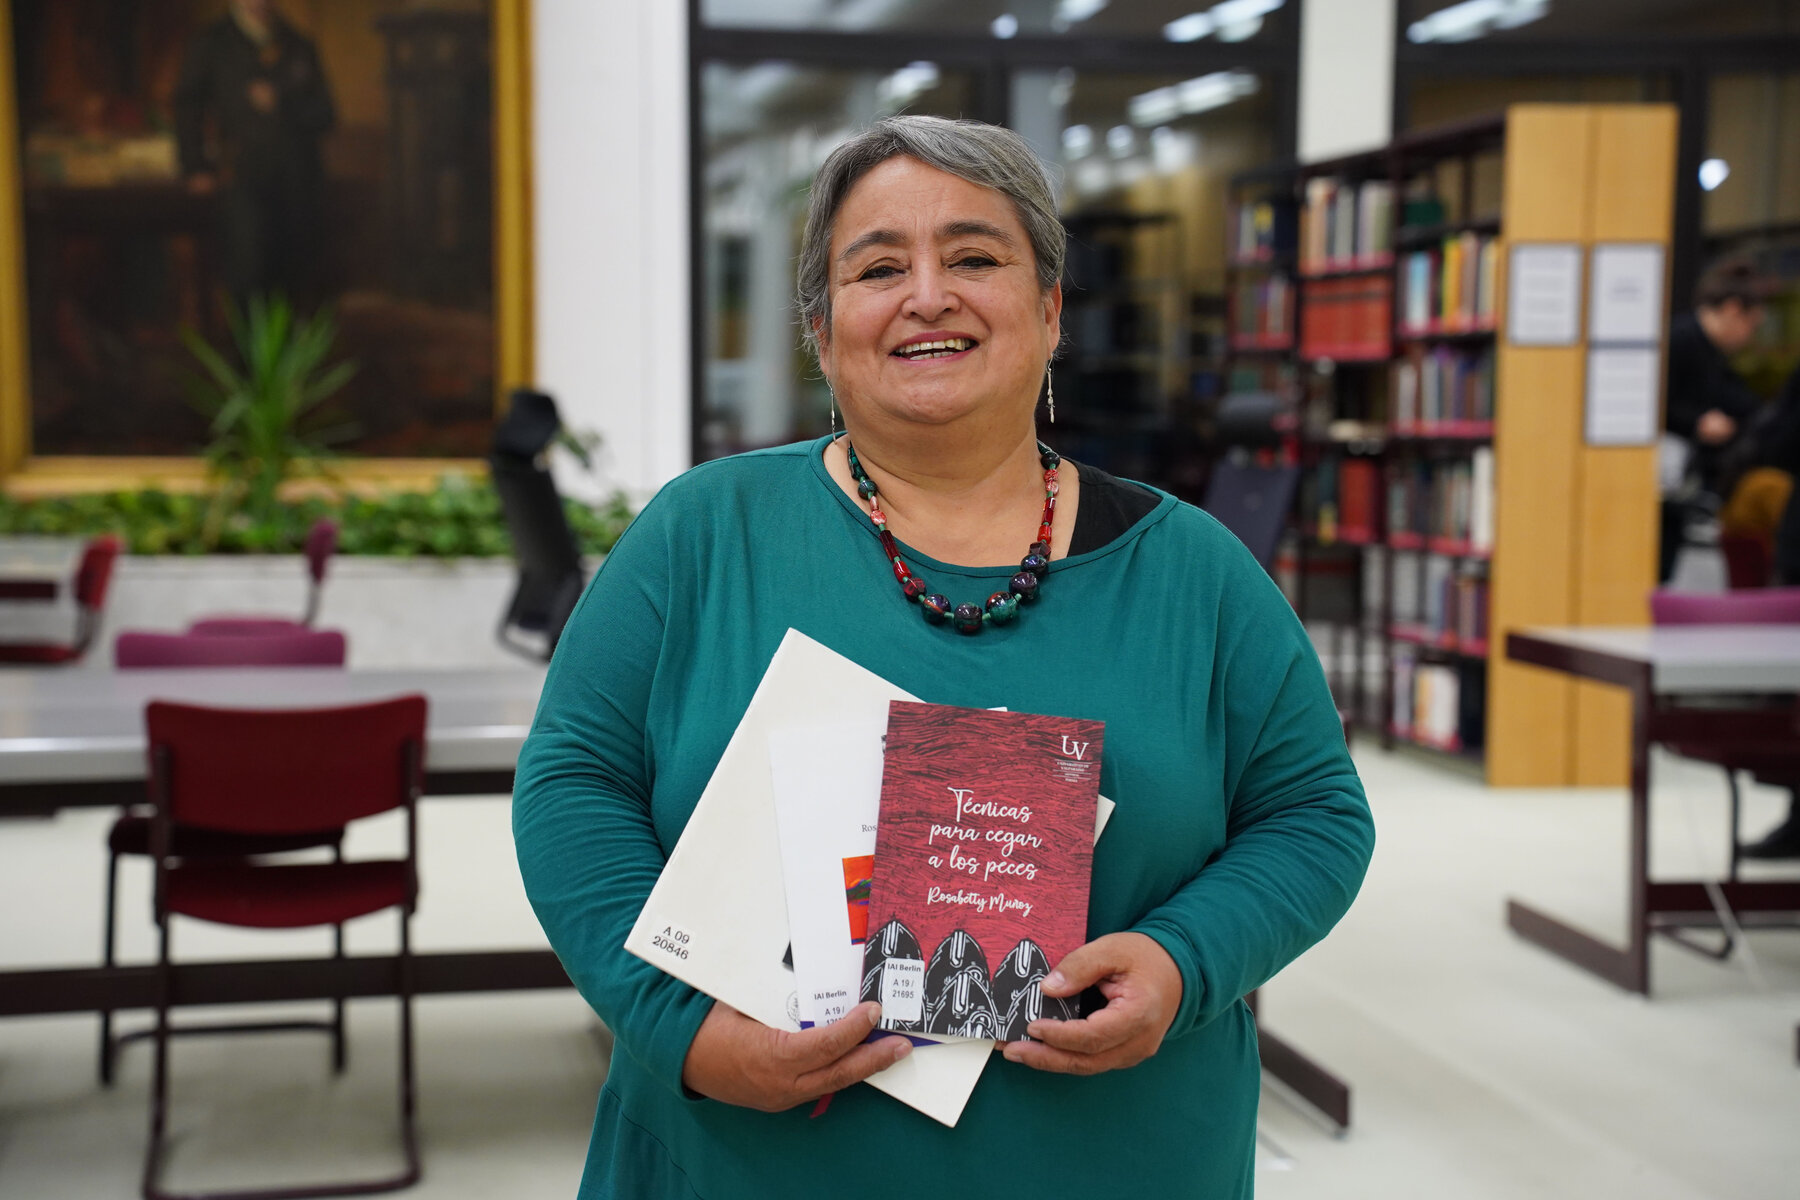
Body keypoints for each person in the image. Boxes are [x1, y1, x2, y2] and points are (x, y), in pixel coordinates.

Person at [513, 116, 1375, 1199]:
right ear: (823, 332)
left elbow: (1315, 815)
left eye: (974, 258)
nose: (928, 296)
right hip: (738, 1161)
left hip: (1118, 1161)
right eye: (879, 268)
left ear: (1050, 310)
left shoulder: (1194, 573)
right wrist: (679, 1029)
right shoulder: (702, 535)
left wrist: (1184, 960)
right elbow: (572, 785)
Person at [174, 0, 335, 307]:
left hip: (297, 183)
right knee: (248, 271)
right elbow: (188, 107)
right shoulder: (212, 42)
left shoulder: (298, 44)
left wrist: (282, 104)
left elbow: (326, 114)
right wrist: (195, 166)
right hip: (241, 178)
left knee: (295, 277)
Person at [1660, 259, 1771, 581]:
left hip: (1681, 482)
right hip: (1663, 479)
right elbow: (1655, 404)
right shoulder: (1680, 341)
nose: (1749, 337)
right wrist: (1698, 422)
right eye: (1751, 325)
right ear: (1733, 310)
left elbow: (1743, 403)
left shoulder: (1711, 352)